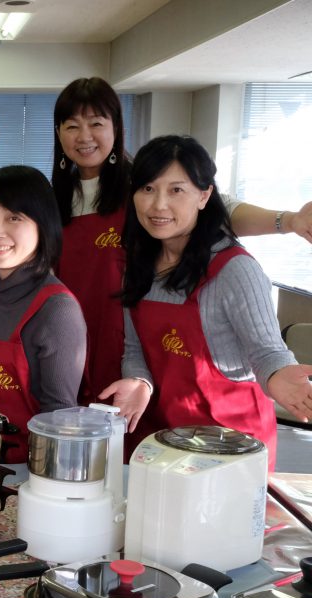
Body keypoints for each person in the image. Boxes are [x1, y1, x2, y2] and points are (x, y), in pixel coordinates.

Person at [52, 77, 312, 405]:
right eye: (72, 125)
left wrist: (287, 221)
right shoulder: (52, 201)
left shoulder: (145, 182)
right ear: (59, 133)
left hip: (133, 343)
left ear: (116, 128)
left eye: (96, 123)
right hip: (74, 339)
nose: (84, 136)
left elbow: (221, 211)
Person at [99, 135, 312, 468]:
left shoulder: (235, 269)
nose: (158, 205)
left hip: (233, 445)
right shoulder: (137, 266)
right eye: (148, 189)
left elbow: (267, 352)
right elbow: (135, 350)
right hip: (165, 439)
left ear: (204, 195)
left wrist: (277, 375)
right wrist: (139, 381)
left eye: (176, 190)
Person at [0, 166, 86, 464]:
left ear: (43, 224)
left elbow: (59, 416)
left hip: (34, 466)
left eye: (14, 217)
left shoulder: (57, 309)